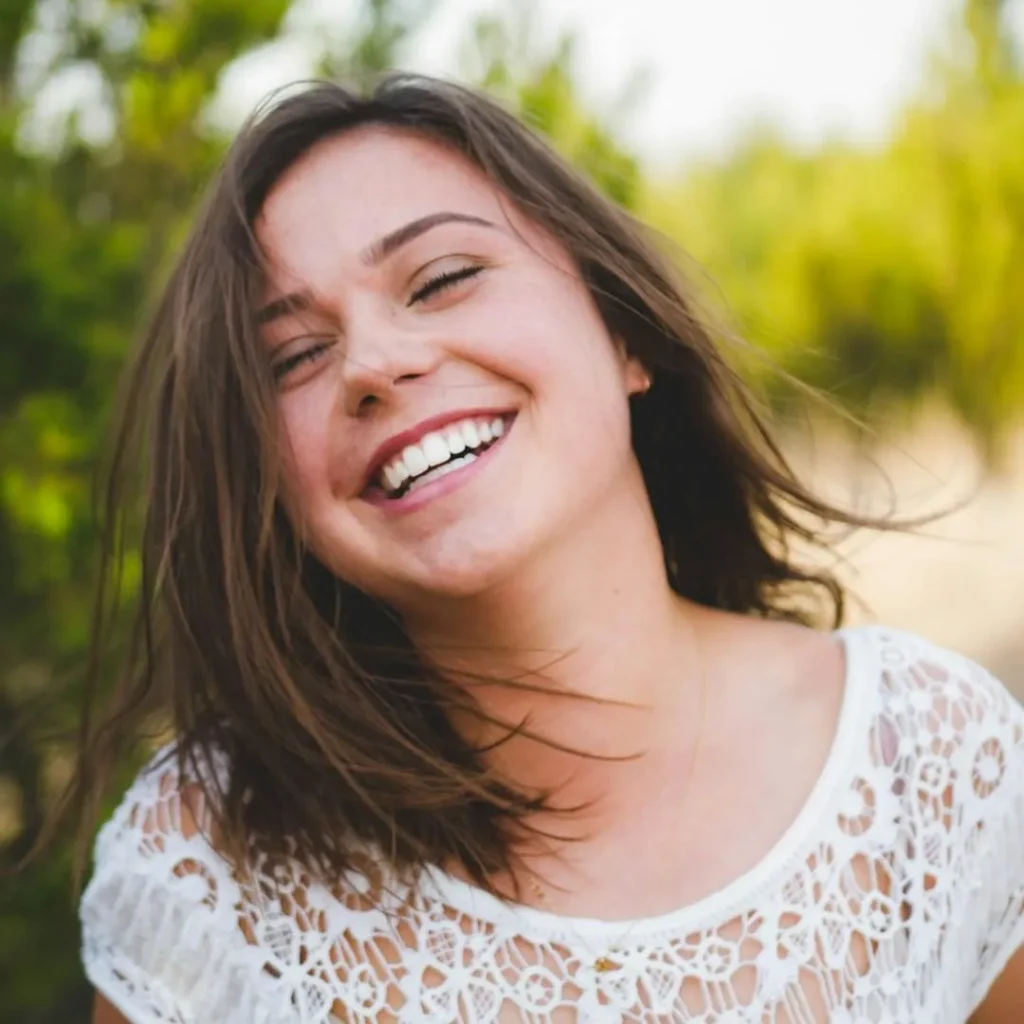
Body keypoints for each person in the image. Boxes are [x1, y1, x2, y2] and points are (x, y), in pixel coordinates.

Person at [69, 75, 1023, 1023]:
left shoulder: (934, 768)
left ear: (625, 336)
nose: (370, 363)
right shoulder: (207, 867)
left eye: (441, 279)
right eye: (293, 359)